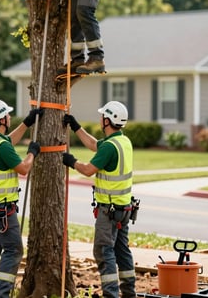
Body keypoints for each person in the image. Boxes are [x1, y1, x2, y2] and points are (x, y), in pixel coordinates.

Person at [62, 101, 136, 298]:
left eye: (103, 116)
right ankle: (129, 293)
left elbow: (87, 170)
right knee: (122, 251)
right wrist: (76, 126)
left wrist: (71, 161)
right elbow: (94, 145)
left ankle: (111, 294)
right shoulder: (123, 142)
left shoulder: (110, 147)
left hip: (109, 212)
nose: (100, 119)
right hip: (124, 210)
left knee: (104, 252)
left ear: (107, 120)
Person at [0, 99, 43, 298]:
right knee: (13, 250)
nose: (10, 117)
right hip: (2, 210)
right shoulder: (1, 146)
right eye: (8, 115)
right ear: (2, 119)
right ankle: (2, 294)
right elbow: (23, 169)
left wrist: (26, 123)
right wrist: (32, 153)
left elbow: (6, 142)